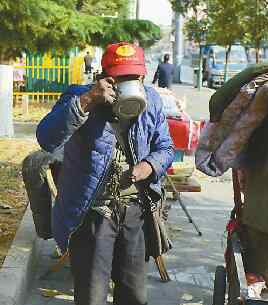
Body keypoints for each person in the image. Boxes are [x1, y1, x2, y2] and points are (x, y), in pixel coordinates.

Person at [36, 42, 175, 305]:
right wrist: (88, 100)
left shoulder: (152, 99)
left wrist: (148, 166)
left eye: (133, 77)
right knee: (91, 296)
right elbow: (46, 138)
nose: (128, 83)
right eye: (120, 78)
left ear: (143, 76)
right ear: (104, 76)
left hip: (135, 210)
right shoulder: (79, 96)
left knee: (134, 296)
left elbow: (166, 147)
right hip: (92, 213)